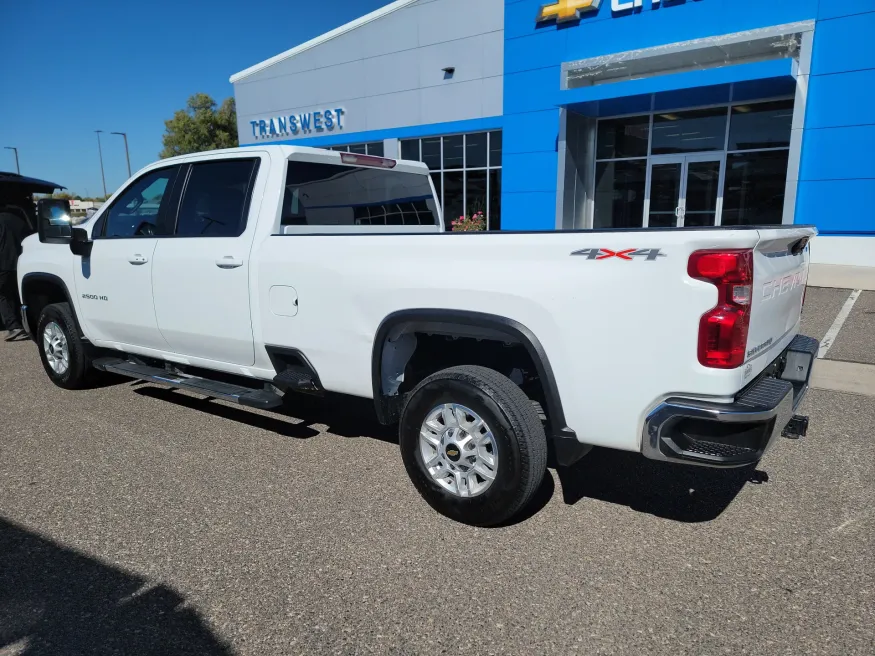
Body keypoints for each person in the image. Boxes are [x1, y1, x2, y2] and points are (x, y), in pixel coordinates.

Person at [0, 210, 30, 341]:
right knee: (15, 294)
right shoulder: (18, 218)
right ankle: (24, 323)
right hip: (20, 261)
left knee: (2, 295)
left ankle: (14, 326)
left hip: (3, 263)